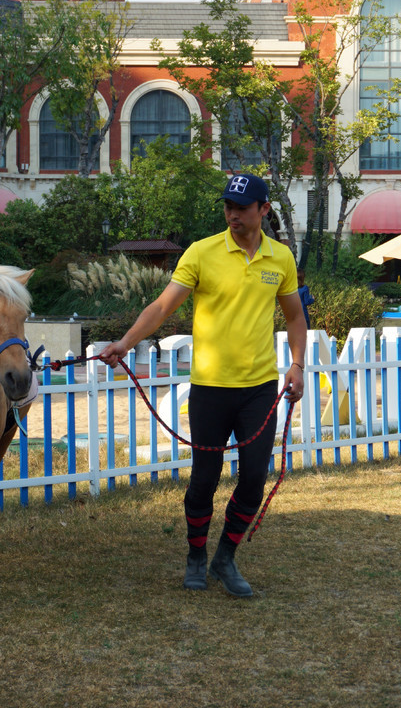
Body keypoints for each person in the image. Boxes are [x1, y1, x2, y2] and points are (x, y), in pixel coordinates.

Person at [98, 173, 307, 598]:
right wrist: (125, 342)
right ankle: (195, 556)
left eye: (242, 208)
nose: (232, 214)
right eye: (228, 206)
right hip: (210, 387)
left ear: (263, 210)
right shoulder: (202, 253)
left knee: (252, 478)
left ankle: (225, 557)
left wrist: (298, 364)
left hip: (259, 388)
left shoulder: (280, 259)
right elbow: (161, 306)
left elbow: (296, 316)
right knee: (204, 479)